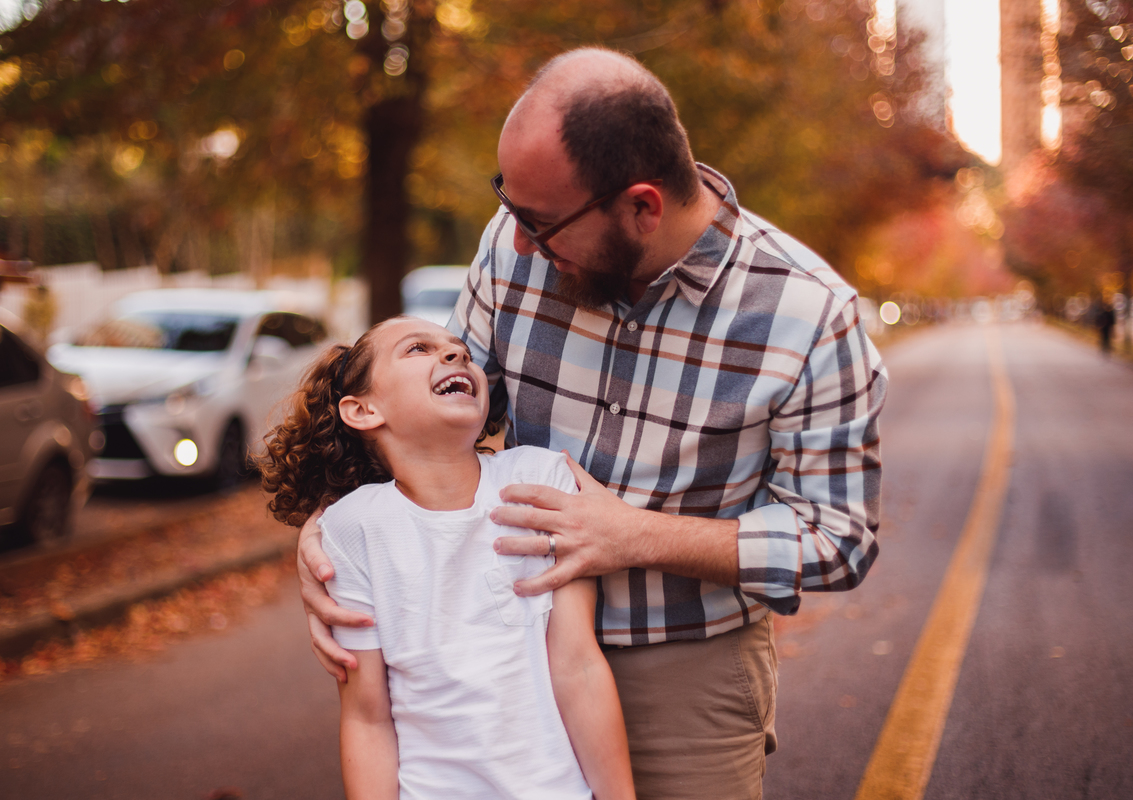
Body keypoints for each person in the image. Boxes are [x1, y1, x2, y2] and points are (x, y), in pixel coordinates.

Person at [298, 47, 886, 799]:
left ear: (642, 206)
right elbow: (426, 421)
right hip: (494, 661)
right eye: (508, 208)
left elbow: (839, 539)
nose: (516, 243)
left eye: (539, 223)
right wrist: (326, 537)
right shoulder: (513, 248)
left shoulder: (809, 315)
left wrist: (634, 535)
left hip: (685, 671)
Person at [260, 316, 635, 800]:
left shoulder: (542, 481)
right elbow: (367, 716)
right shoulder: (350, 530)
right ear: (363, 410)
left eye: (459, 349)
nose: (456, 354)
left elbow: (579, 666)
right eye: (417, 349)